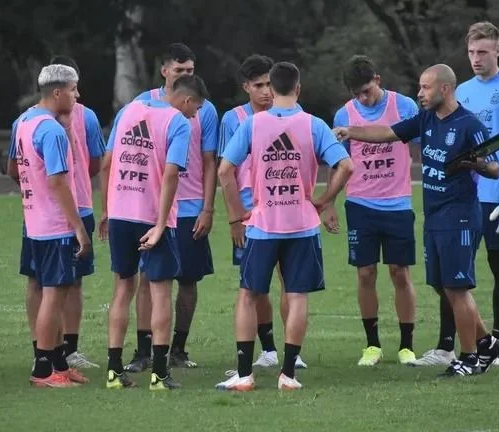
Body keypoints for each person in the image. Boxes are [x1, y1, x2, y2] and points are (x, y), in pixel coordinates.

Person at [333, 64, 499, 377]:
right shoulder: (426, 119)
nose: (419, 93)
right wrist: (351, 131)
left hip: (459, 216)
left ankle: (469, 358)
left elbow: (495, 167)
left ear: (444, 89)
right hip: (434, 214)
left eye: (425, 87)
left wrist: (475, 162)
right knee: (443, 285)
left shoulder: (469, 124)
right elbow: (388, 132)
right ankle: (487, 343)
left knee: (457, 288)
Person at [216, 62, 353, 391]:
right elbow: (346, 165)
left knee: (248, 295)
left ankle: (245, 375)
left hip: (263, 224)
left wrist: (237, 214)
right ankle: (289, 375)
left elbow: (224, 171)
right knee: (297, 296)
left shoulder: (253, 124)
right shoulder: (313, 125)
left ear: (271, 90)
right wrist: (323, 199)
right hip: (303, 225)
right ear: (299, 89)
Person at [412, 22, 499, 368]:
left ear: (498, 50)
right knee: (452, 274)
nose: (476, 58)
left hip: (498, 196)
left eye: (483, 51)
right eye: (471, 52)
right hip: (461, 196)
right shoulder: (459, 91)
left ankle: (498, 342)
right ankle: (446, 345)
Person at [100, 74, 209, 390]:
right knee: (160, 291)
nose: (195, 115)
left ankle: (113, 372)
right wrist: (161, 224)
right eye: (196, 108)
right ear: (187, 100)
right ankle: (159, 374)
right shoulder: (178, 123)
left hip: (121, 211)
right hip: (152, 216)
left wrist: (107, 208)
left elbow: (108, 161)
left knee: (122, 289)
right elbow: (172, 173)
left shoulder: (129, 110)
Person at [8, 55, 105, 370]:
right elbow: (59, 181)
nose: (78, 97)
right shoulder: (51, 131)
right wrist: (78, 227)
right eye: (74, 91)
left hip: (36, 220)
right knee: (54, 290)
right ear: (59, 92)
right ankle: (45, 365)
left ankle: (58, 362)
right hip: (56, 223)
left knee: (53, 287)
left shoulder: (25, 121)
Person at [125, 43, 217, 371]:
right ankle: (142, 351)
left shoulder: (204, 109)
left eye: (190, 71)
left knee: (188, 280)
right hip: (152, 208)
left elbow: (209, 161)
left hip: (190, 207)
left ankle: (178, 348)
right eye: (179, 70)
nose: (186, 75)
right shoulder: (142, 103)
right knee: (148, 278)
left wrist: (208, 208)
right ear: (165, 71)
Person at [219, 54, 307, 374]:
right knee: (254, 286)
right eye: (259, 85)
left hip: (287, 212)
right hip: (249, 214)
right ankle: (268, 349)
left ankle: (291, 352)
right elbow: (225, 171)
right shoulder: (234, 120)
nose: (267, 91)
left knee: (289, 281)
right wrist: (233, 218)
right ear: (246, 87)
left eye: (270, 84)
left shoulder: (291, 116)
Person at [329, 55, 419, 366]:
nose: (363, 98)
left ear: (378, 80)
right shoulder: (344, 114)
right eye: (357, 94)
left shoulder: (404, 105)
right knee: (365, 273)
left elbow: (417, 139)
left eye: (367, 90)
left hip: (397, 204)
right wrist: (328, 202)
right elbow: (338, 163)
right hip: (360, 204)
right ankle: (372, 345)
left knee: (400, 273)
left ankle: (407, 346)